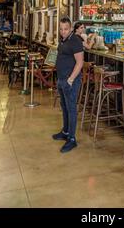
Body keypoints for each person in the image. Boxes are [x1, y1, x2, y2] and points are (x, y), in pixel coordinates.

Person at [53, 17, 84, 153]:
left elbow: (80, 62)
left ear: (71, 28)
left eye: (66, 29)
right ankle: (65, 132)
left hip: (70, 81)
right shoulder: (63, 40)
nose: (63, 32)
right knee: (64, 107)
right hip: (61, 79)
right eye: (61, 29)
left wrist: (70, 79)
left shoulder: (75, 41)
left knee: (71, 109)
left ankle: (72, 139)